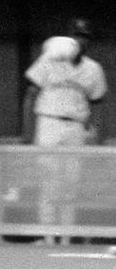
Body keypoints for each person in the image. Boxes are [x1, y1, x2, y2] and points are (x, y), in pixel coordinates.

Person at [24, 30, 107, 246]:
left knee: (71, 184)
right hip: (48, 122)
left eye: (85, 36)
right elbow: (30, 95)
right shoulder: (49, 58)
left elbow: (98, 103)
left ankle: (66, 237)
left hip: (76, 127)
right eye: (77, 35)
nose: (81, 40)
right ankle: (48, 235)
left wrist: (96, 135)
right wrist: (27, 133)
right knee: (48, 182)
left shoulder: (93, 68)